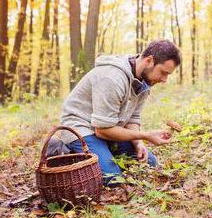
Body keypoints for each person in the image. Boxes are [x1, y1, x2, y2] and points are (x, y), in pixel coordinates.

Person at [60, 39, 182, 186]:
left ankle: (102, 153)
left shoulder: (145, 80)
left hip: (108, 128)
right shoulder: (112, 78)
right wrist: (146, 135)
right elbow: (102, 130)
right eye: (163, 73)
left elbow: (133, 117)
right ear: (149, 61)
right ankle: (70, 154)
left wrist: (138, 143)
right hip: (81, 128)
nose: (164, 80)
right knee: (113, 179)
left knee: (149, 163)